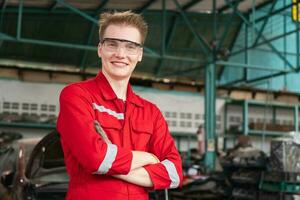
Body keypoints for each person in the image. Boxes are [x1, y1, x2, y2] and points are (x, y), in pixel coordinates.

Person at [57, 11, 183, 200]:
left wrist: (111, 162)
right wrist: (148, 158)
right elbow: (96, 159)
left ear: (139, 54)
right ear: (100, 49)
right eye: (112, 44)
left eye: (130, 47)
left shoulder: (150, 112)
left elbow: (174, 174)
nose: (120, 54)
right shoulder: (77, 96)